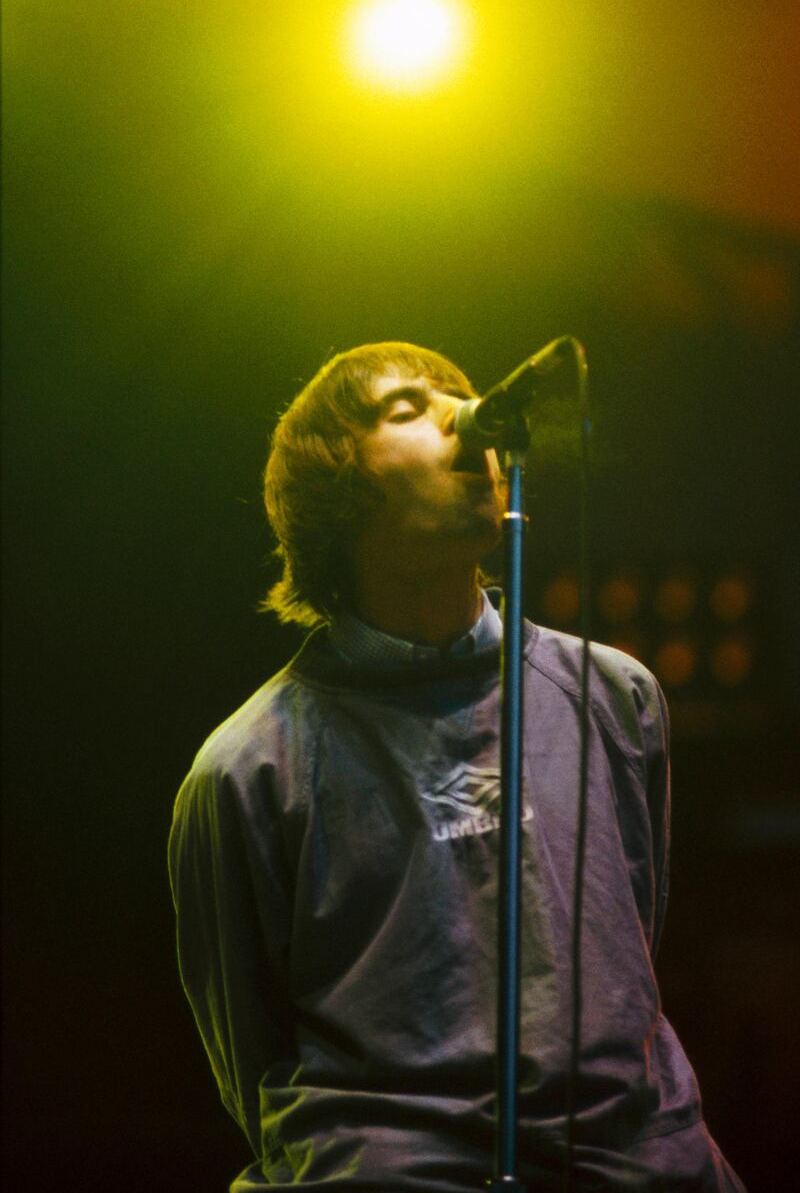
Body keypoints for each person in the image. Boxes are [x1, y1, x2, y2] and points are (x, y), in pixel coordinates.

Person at [168, 341, 745, 1192]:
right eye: (408, 407)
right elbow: (250, 1055)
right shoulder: (248, 768)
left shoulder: (618, 697)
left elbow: (627, 945)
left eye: (462, 396)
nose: (461, 416)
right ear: (337, 481)